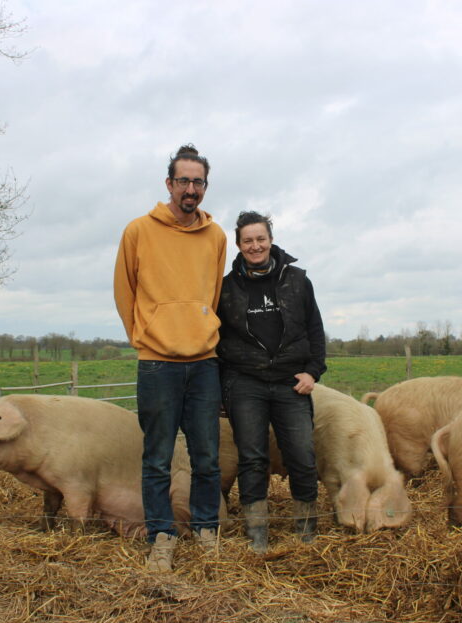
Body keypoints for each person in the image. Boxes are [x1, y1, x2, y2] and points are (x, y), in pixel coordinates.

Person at [113, 144, 227, 572]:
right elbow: (125, 291)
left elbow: (212, 294)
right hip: (157, 363)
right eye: (184, 181)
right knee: (157, 456)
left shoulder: (216, 236)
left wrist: (201, 327)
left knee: (207, 456)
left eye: (198, 182)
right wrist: (144, 335)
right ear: (169, 184)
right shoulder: (138, 231)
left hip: (203, 362)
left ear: (204, 187)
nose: (191, 189)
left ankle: (205, 528)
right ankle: (162, 533)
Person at [216, 211, 326, 553]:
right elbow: (215, 338)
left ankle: (306, 530)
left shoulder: (297, 280)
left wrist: (313, 371)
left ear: (271, 240)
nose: (255, 245)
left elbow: (315, 329)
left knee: (303, 456)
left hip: (290, 382)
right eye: (247, 240)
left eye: (260, 238)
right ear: (238, 245)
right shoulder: (225, 287)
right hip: (245, 382)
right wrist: (225, 385)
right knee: (252, 458)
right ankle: (257, 533)